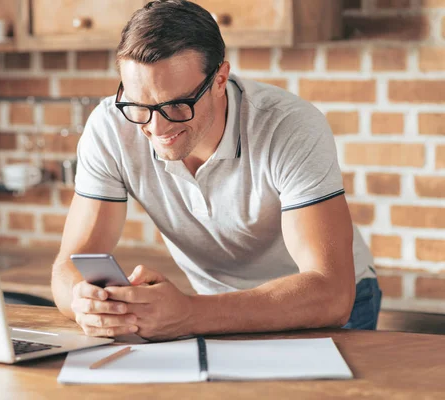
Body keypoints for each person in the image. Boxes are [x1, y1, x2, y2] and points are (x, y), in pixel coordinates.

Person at [51, 0, 382, 341]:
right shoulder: (110, 127)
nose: (157, 127)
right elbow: (69, 267)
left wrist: (191, 313)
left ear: (220, 78)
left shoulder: (289, 125)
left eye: (177, 104)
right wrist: (85, 303)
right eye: (138, 105)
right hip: (212, 310)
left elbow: (331, 293)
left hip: (317, 308)